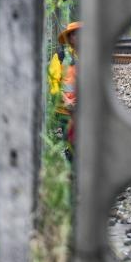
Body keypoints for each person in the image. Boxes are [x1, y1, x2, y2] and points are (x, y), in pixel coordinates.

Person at [47, 21, 80, 159]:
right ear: (69, 37)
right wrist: (65, 99)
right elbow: (53, 82)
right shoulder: (60, 57)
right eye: (75, 34)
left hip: (81, 112)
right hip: (63, 112)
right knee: (63, 144)